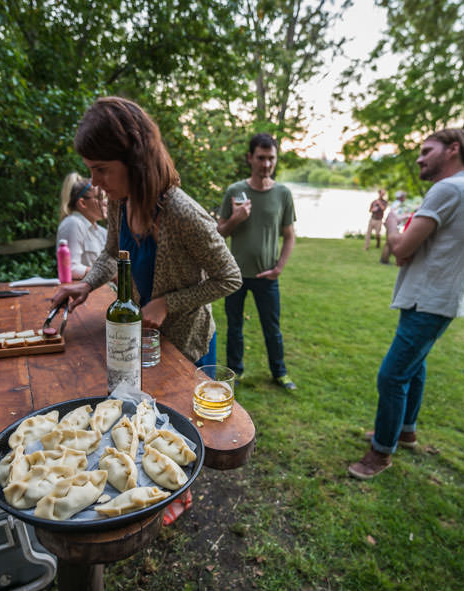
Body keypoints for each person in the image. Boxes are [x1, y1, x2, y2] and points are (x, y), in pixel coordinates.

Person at [50, 97, 241, 526]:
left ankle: (179, 493)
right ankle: (152, 487)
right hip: (144, 336)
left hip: (187, 340)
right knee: (142, 416)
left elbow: (230, 277)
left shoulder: (182, 212)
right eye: (92, 169)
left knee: (178, 425)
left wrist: (167, 302)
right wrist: (83, 285)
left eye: (102, 168)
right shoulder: (120, 201)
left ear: (135, 160)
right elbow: (111, 256)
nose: (95, 182)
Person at [349, 128, 464, 480]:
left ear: (453, 149)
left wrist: (393, 222)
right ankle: (405, 431)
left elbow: (401, 248)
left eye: (428, 151)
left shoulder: (449, 188)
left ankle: (380, 453)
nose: (420, 157)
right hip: (438, 298)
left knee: (392, 376)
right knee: (415, 366)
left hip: (431, 300)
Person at [217, 133, 297, 391]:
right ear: (250, 158)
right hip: (235, 275)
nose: (266, 164)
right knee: (235, 327)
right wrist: (236, 219)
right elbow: (218, 233)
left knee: (272, 328)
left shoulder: (283, 193)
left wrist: (279, 268)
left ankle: (280, 372)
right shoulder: (235, 191)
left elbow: (289, 235)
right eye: (261, 158)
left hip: (267, 275)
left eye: (270, 158)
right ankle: (235, 372)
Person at [57, 172, 108, 279]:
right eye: (100, 197)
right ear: (82, 203)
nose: (105, 202)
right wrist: (108, 273)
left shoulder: (102, 231)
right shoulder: (73, 224)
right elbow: (71, 269)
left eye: (105, 197)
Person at [380, 190, 408, 264]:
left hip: (392, 225)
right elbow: (396, 217)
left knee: (389, 243)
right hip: (393, 226)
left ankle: (384, 259)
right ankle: (384, 260)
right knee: (389, 243)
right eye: (404, 196)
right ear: (401, 197)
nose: (405, 198)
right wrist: (407, 216)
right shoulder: (398, 205)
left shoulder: (397, 204)